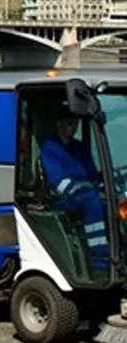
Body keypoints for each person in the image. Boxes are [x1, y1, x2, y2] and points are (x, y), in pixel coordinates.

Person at [40, 103, 109, 273]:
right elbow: (59, 183)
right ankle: (100, 262)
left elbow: (92, 175)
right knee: (92, 204)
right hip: (63, 199)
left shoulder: (79, 147)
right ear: (59, 123)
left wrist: (105, 190)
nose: (74, 127)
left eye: (76, 123)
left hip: (85, 194)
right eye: (70, 123)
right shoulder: (50, 149)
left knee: (113, 203)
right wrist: (87, 192)